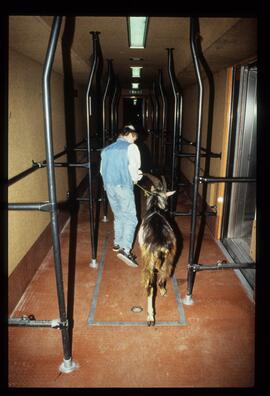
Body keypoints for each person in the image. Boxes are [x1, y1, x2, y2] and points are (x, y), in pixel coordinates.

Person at [100, 124, 143, 267]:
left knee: (118, 215)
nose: (134, 141)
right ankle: (125, 250)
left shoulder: (106, 150)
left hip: (109, 187)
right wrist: (137, 177)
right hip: (123, 186)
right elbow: (134, 171)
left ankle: (117, 243)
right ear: (130, 135)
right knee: (131, 218)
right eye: (134, 138)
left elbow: (102, 171)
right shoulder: (131, 148)